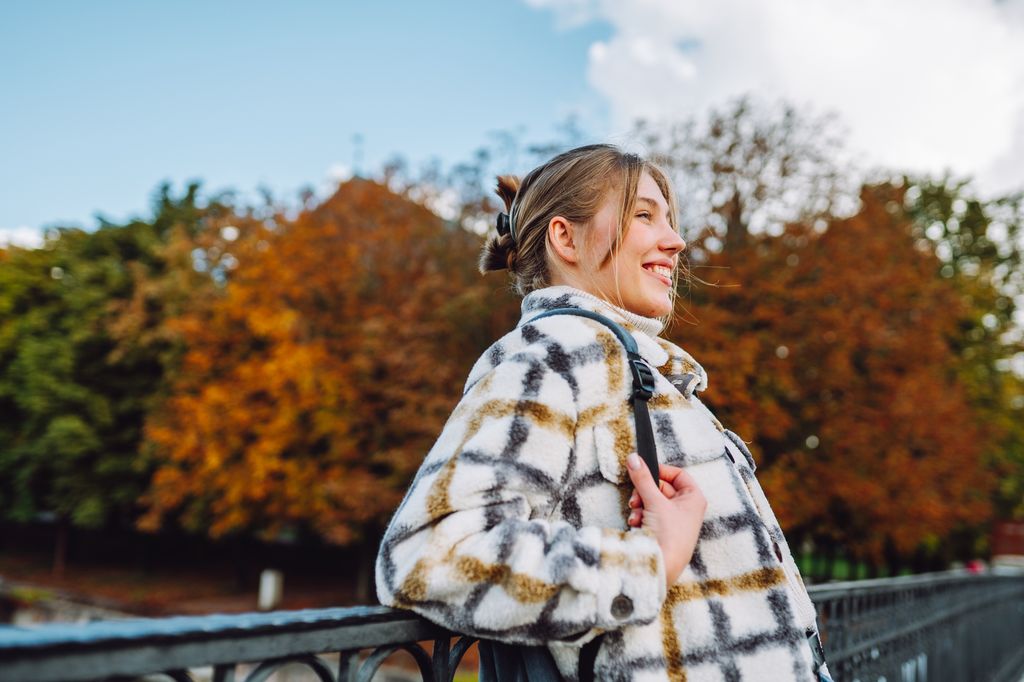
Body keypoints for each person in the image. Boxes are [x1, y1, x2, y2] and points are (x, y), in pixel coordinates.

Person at [375, 144, 831, 681]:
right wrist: (649, 564)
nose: (676, 241)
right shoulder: (558, 354)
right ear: (564, 238)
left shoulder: (638, 371)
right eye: (643, 215)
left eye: (669, 219)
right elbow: (430, 553)